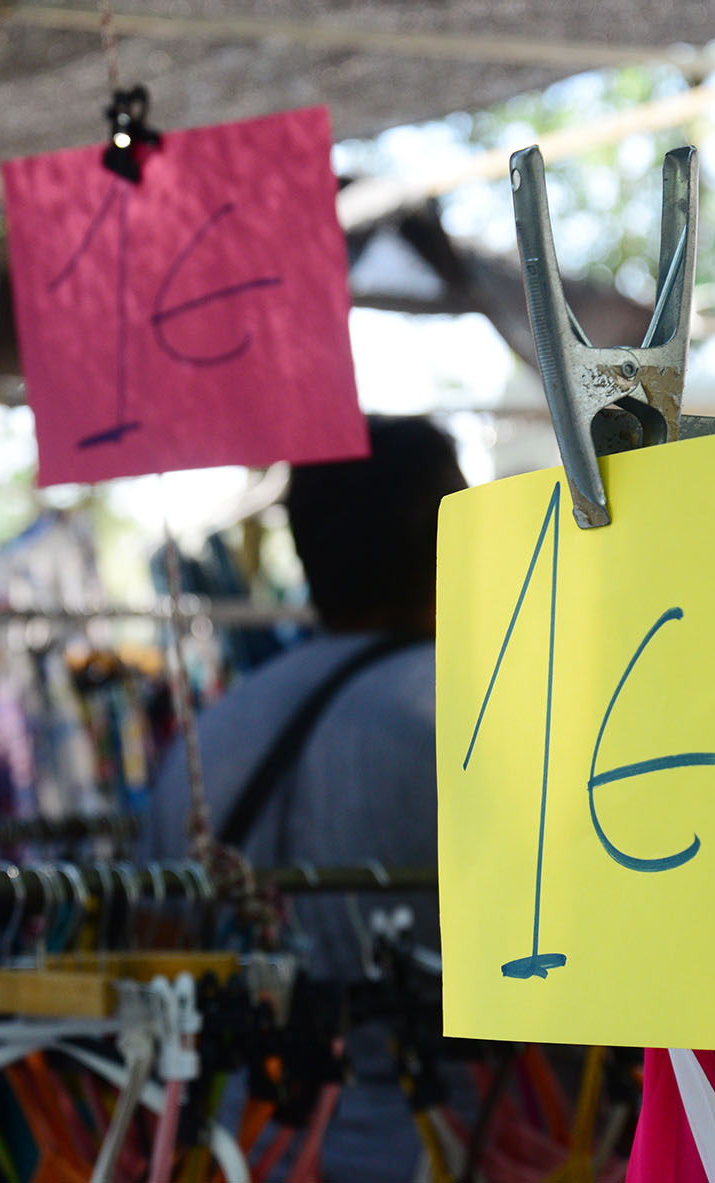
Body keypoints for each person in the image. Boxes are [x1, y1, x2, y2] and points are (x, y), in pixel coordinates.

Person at [142, 414, 468, 1182]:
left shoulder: (207, 737)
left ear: (304, 545)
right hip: (452, 1145)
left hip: (240, 1150)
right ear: (460, 532)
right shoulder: (491, 719)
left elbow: (157, 946)